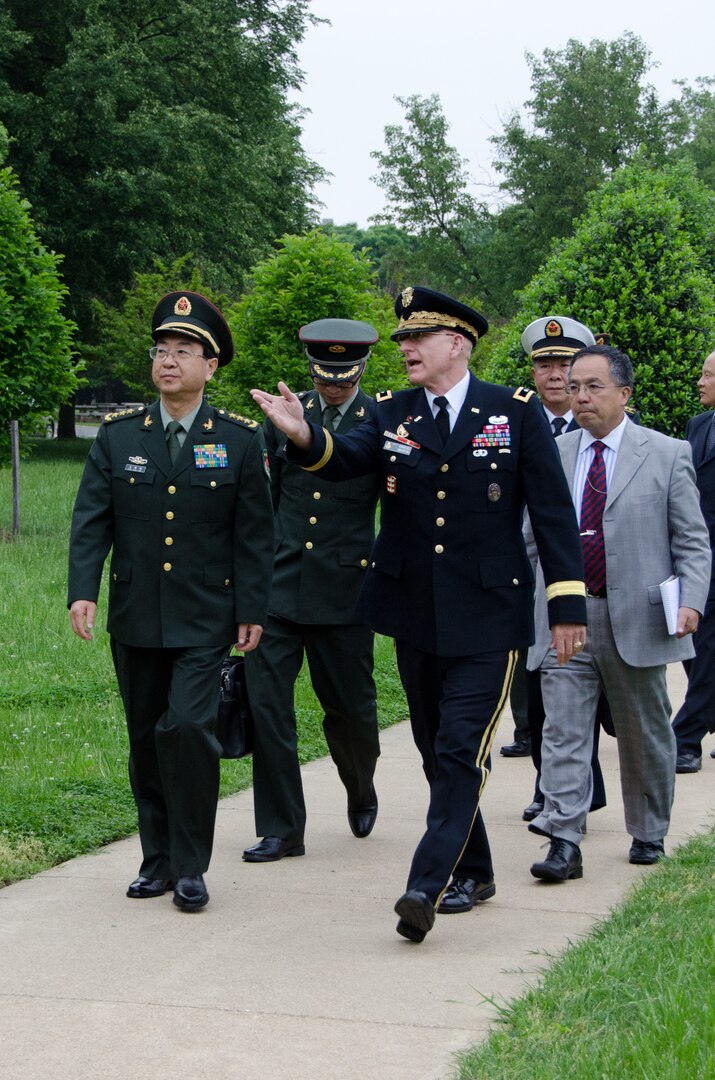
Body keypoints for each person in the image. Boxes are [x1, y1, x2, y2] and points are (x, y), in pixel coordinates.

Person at [251, 286, 587, 943]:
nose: (403, 347)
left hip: (490, 617)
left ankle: (426, 884)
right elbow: (344, 463)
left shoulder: (511, 412)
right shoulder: (389, 411)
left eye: (417, 339)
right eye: (402, 339)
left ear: (456, 345)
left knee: (461, 751)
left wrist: (566, 605)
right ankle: (478, 868)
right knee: (438, 753)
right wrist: (302, 435)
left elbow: (552, 515)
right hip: (413, 612)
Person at [68, 291, 274, 911]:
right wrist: (84, 590)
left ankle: (190, 865)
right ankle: (154, 860)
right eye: (162, 349)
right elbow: (90, 520)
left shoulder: (239, 440)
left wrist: (251, 608)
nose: (169, 360)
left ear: (211, 367)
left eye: (185, 351)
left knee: (187, 729)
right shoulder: (120, 434)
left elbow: (255, 532)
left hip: (205, 613)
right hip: (137, 613)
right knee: (144, 738)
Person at [527, 344, 710, 882]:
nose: (579, 396)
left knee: (644, 730)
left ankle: (649, 831)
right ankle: (563, 838)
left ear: (624, 394)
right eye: (574, 386)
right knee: (561, 729)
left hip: (638, 617)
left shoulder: (667, 453)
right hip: (567, 617)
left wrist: (693, 600)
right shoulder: (554, 455)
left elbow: (693, 542)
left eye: (593, 387)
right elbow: (531, 539)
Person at [242, 319, 381, 863]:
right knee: (267, 706)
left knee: (350, 709)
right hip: (276, 589)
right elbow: (259, 504)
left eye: (344, 380)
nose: (334, 388)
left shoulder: (380, 420)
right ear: (311, 370)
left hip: (346, 591)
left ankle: (361, 783)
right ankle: (283, 828)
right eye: (325, 378)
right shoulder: (283, 415)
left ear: (362, 370)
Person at [518, 316, 609, 822]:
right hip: (531, 579)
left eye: (564, 365)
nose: (554, 375)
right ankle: (549, 784)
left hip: (590, 579)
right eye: (545, 364)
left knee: (587, 692)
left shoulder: (599, 427)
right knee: (538, 688)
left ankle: (572, 787)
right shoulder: (514, 420)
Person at [672, 349, 715, 772]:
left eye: (708, 376)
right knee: (692, 646)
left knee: (706, 650)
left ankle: (685, 738)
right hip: (699, 556)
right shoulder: (698, 426)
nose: (700, 382)